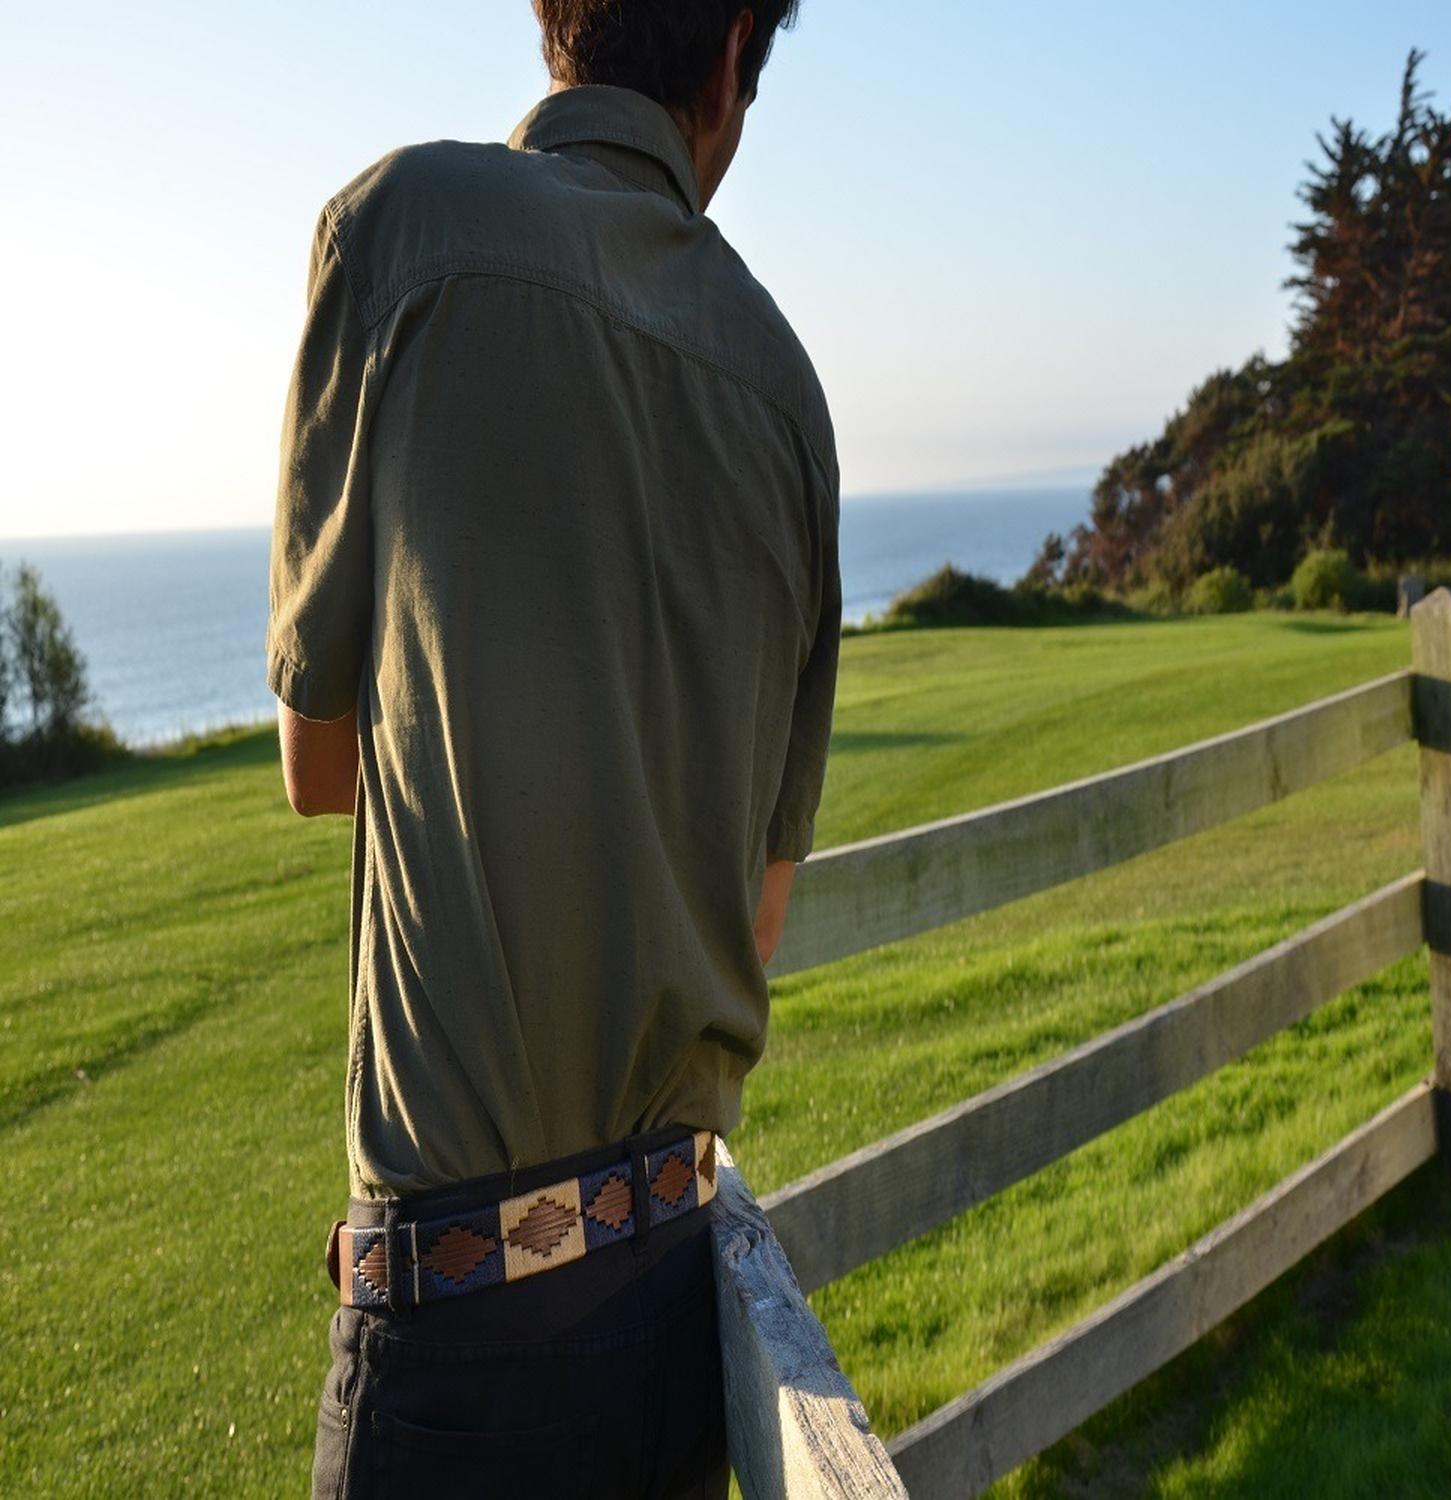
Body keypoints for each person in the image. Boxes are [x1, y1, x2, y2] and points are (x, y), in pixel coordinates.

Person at [263, 1, 840, 1495]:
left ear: (551, 23)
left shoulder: (402, 229)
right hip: (672, 1317)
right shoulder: (788, 390)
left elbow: (318, 765)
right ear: (733, 59)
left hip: (456, 1331)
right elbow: (757, 913)